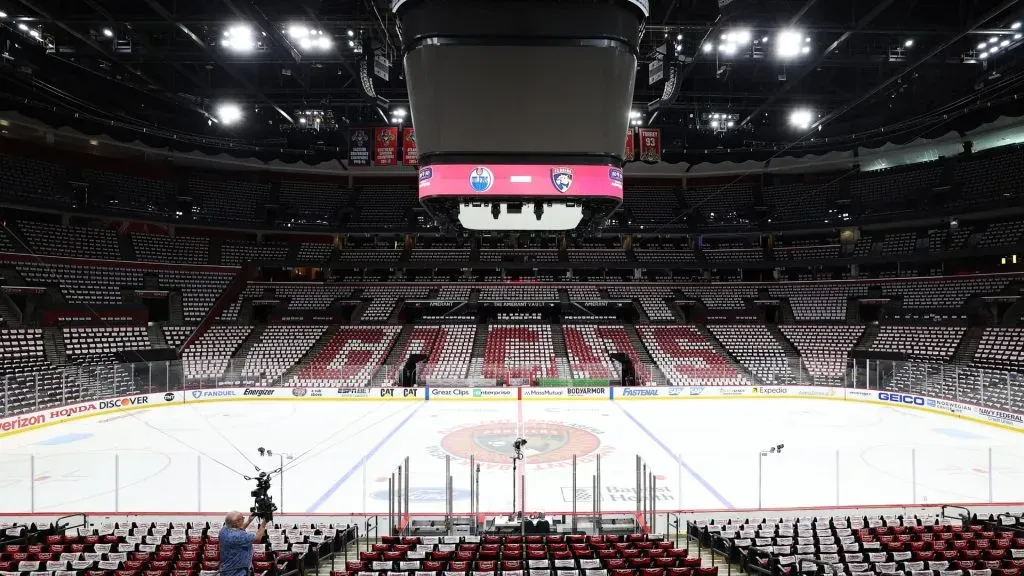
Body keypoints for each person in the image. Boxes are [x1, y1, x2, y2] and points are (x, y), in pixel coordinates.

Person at [219, 511, 269, 576]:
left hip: (226, 569)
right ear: (236, 522)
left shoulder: (224, 530)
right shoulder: (239, 536)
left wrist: (248, 521)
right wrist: (263, 524)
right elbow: (257, 539)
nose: (243, 519)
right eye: (242, 518)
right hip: (237, 572)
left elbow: (238, 528)